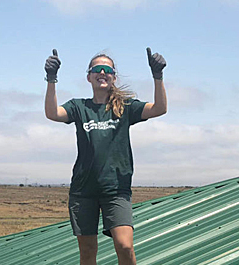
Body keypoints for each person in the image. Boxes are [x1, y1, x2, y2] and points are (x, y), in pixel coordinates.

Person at [44, 47, 167, 265]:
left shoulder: (126, 107)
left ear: (114, 77)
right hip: (84, 190)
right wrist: (51, 79)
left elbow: (159, 109)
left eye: (107, 69)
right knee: (88, 252)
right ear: (89, 76)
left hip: (116, 189)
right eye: (97, 69)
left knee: (125, 246)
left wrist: (158, 76)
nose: (102, 72)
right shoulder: (78, 107)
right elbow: (53, 113)